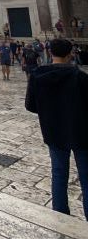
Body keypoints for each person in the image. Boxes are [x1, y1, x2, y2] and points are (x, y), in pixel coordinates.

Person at [25, 38, 88, 220]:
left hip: (53, 131)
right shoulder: (81, 77)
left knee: (59, 173)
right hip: (81, 132)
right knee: (86, 177)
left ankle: (61, 216)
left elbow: (30, 106)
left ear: (50, 52)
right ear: (70, 54)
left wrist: (49, 109)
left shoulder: (37, 76)